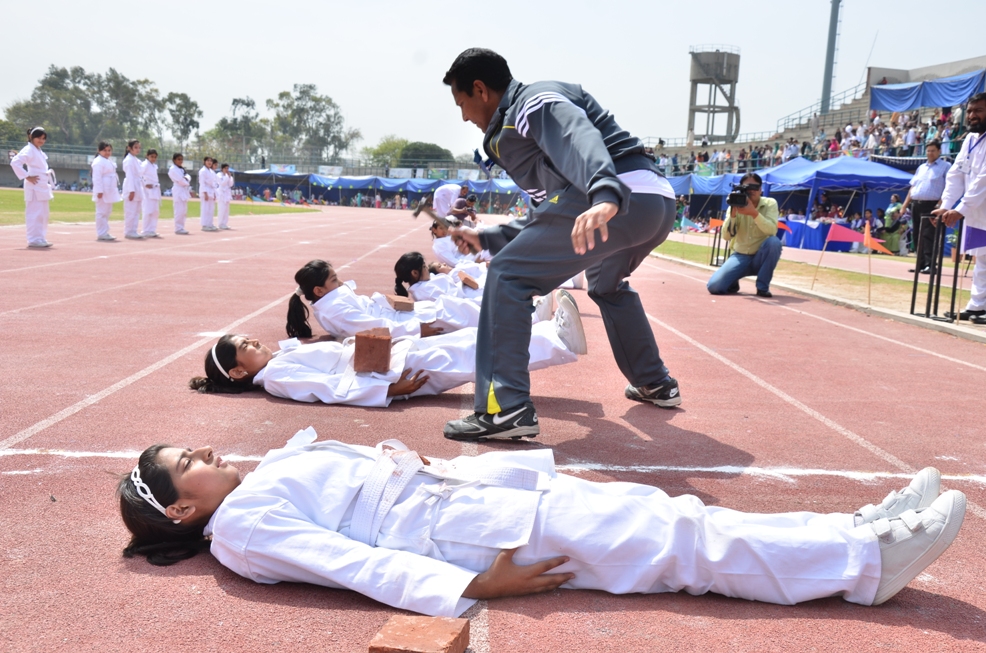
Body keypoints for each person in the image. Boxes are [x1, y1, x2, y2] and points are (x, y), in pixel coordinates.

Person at [117, 430, 966, 617]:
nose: (198, 449)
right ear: (183, 508)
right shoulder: (244, 527)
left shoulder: (259, 480)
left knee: (672, 517)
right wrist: (472, 583)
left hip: (468, 501)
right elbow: (345, 561)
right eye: (182, 461)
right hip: (466, 537)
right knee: (677, 546)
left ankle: (851, 527)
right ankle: (865, 560)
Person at [439, 49, 679, 440]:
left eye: (462, 103)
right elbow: (547, 219)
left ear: (480, 90)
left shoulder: (533, 101)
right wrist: (486, 237)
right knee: (605, 284)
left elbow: (578, 136)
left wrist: (604, 192)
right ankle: (655, 382)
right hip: (655, 202)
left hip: (614, 195)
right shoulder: (517, 141)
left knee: (509, 275)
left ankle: (506, 409)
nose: (464, 116)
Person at [189, 300, 581, 406]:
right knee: (473, 356)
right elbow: (331, 391)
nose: (255, 343)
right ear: (239, 373)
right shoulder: (275, 379)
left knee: (469, 341)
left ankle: (538, 328)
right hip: (391, 376)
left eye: (249, 339)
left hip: (392, 359)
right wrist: (390, 392)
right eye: (246, 348)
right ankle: (557, 340)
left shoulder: (278, 361)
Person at [285, 259, 483, 341]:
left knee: (450, 306)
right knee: (453, 313)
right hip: (400, 324)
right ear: (319, 290)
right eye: (334, 279)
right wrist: (417, 329)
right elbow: (374, 327)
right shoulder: (334, 311)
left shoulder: (329, 297)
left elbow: (343, 288)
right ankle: (500, 324)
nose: (339, 281)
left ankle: (497, 318)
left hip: (396, 314)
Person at [934, 93, 986, 324]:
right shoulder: (970, 140)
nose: (973, 115)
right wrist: (946, 205)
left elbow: (984, 180)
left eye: (979, 110)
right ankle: (977, 306)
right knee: (981, 258)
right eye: (970, 111)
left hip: (975, 207)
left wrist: (961, 208)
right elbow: (956, 174)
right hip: (977, 213)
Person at [706, 172, 781, 298]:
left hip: (761, 257)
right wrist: (734, 215)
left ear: (761, 189)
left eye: (755, 187)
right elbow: (726, 237)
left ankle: (762, 287)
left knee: (774, 242)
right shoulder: (735, 204)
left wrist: (754, 213)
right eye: (747, 187)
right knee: (714, 286)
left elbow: (772, 231)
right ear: (740, 189)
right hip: (740, 256)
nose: (751, 191)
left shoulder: (770, 203)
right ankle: (733, 281)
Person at [901, 141, 951, 274]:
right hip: (916, 204)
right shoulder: (921, 167)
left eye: (933, 150)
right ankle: (921, 264)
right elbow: (913, 187)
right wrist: (905, 205)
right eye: (928, 150)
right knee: (917, 235)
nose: (930, 153)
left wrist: (940, 205)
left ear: (939, 151)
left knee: (928, 235)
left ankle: (930, 265)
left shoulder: (945, 166)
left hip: (932, 205)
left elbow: (948, 188)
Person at [9, 126, 54, 248]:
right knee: (34, 213)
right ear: (31, 137)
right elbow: (15, 162)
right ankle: (33, 239)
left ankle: (40, 238)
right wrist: (27, 176)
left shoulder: (38, 150)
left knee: (43, 213)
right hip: (34, 186)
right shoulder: (29, 149)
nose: (41, 140)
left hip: (42, 185)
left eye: (43, 138)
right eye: (38, 137)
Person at [91, 142, 121, 242]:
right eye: (105, 150)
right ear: (99, 151)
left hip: (109, 189)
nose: (107, 152)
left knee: (107, 211)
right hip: (103, 189)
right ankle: (101, 233)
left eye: (109, 150)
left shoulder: (108, 161)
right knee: (101, 212)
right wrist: (99, 191)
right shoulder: (98, 161)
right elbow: (97, 178)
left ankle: (105, 231)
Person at [121, 139, 145, 239]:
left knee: (136, 211)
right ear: (129, 148)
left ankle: (133, 230)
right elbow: (130, 176)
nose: (138, 150)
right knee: (130, 211)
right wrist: (131, 191)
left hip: (137, 185)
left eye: (139, 147)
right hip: (131, 186)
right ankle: (128, 231)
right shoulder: (129, 160)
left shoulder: (136, 160)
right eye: (135, 147)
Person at [140, 150, 162, 238]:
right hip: (147, 190)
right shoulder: (144, 164)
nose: (153, 158)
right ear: (147, 156)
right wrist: (145, 183)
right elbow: (139, 175)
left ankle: (152, 229)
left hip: (155, 189)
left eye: (155, 157)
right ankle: (145, 230)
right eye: (151, 156)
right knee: (147, 210)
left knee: (155, 211)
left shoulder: (153, 166)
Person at [169, 154, 191, 235]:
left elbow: (188, 177)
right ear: (174, 160)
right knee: (179, 210)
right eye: (179, 159)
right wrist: (186, 179)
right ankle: (178, 228)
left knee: (183, 210)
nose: (180, 161)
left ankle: (181, 227)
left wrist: (186, 179)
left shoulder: (181, 169)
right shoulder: (173, 169)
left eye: (181, 159)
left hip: (183, 190)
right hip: (178, 190)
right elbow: (181, 180)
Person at [199, 157, 219, 231]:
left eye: (211, 161)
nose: (209, 162)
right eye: (208, 161)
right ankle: (204, 225)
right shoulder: (202, 171)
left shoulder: (211, 171)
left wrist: (214, 193)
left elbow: (213, 183)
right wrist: (205, 193)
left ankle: (210, 224)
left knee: (211, 209)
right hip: (206, 192)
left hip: (211, 191)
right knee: (205, 209)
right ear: (204, 162)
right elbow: (202, 183)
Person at [216, 163, 234, 230]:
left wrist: (229, 177)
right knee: (221, 209)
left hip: (227, 194)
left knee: (226, 210)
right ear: (222, 169)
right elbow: (222, 183)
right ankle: (220, 224)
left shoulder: (228, 176)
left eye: (227, 168)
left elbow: (230, 184)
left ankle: (224, 223)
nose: (226, 170)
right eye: (225, 168)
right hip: (221, 193)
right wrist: (227, 177)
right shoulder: (218, 175)